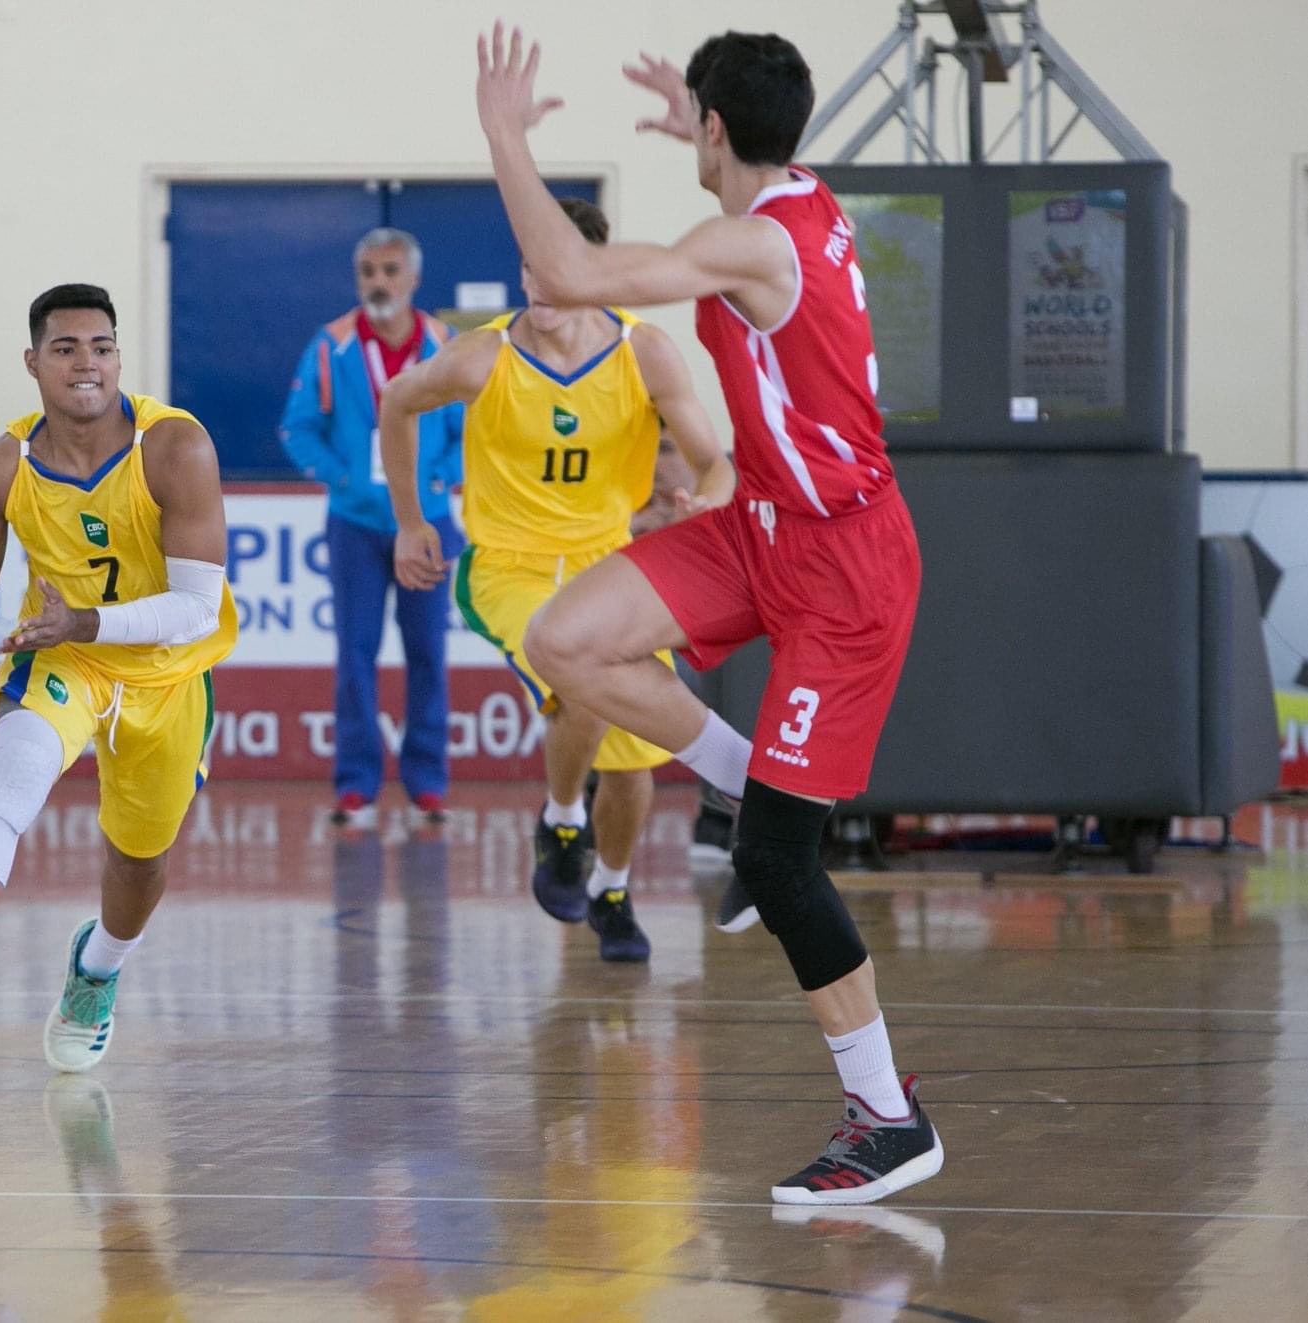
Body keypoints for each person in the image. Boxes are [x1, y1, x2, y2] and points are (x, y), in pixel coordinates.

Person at [476, 25, 942, 1203]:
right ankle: (741, 773)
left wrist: (502, 133)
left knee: (779, 869)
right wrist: (703, 127)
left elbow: (572, 276)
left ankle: (886, 1116)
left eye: (699, 119)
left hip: (845, 565)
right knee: (564, 641)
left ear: (718, 131)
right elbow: (744, 185)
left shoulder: (749, 242)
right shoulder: (797, 199)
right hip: (766, 526)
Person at [0, 284, 237, 1072]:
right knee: (11, 780)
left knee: (139, 859)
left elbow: (193, 607)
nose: (87, 362)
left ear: (119, 357)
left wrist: (83, 619)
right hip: (60, 656)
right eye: (66, 347)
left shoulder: (175, 447)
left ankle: (97, 970)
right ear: (32, 362)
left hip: (165, 675)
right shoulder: (3, 464)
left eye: (101, 346)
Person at [379, 197, 733, 963]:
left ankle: (609, 885)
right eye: (529, 266)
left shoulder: (646, 354)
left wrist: (709, 495)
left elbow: (715, 456)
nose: (538, 284)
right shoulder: (484, 354)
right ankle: (562, 816)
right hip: (509, 567)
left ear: (592, 272)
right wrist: (412, 520)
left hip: (612, 564)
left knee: (638, 746)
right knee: (581, 681)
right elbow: (397, 402)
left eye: (556, 268)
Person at [279, 228, 464, 827]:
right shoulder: (330, 345)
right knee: (354, 656)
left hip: (430, 523)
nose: (378, 282)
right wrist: (343, 479)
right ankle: (357, 784)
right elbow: (298, 428)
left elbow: (478, 432)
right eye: (367, 272)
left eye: (389, 271)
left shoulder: (446, 345)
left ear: (413, 279)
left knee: (428, 655)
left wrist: (438, 477)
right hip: (356, 524)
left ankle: (427, 783)